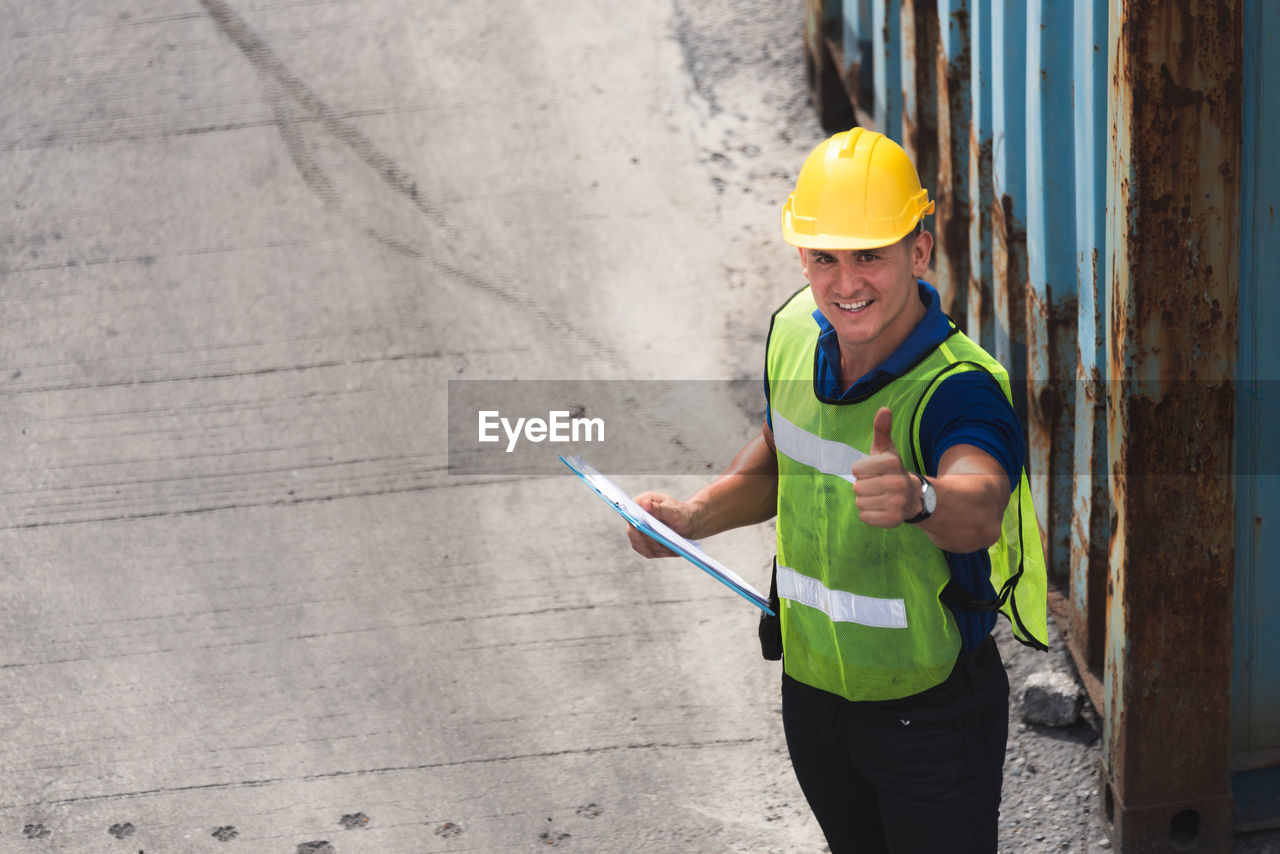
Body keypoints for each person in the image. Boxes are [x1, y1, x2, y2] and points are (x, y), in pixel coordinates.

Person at [626, 127, 1048, 854]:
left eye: (869, 257)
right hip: (813, 694)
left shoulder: (959, 388)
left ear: (919, 251)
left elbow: (980, 503)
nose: (844, 283)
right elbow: (781, 456)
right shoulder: (794, 329)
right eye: (824, 257)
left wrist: (922, 499)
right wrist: (693, 517)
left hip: (931, 716)